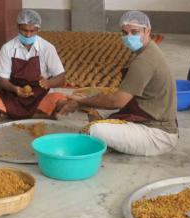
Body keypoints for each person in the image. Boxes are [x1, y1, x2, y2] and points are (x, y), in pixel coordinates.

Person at [57, 11, 178, 156]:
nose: (129, 37)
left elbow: (118, 101)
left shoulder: (144, 61)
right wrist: (84, 102)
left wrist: (82, 101)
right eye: (125, 33)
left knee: (93, 130)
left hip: (157, 134)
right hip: (150, 116)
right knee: (97, 109)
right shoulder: (148, 51)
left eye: (134, 32)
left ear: (147, 31)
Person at [0, 9, 68, 119]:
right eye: (24, 30)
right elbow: (2, 81)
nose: (28, 35)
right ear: (18, 27)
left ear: (38, 29)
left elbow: (61, 78)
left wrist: (48, 83)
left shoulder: (47, 48)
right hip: (14, 96)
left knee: (62, 101)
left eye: (32, 31)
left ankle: (11, 113)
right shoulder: (7, 48)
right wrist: (16, 89)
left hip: (40, 96)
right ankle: (38, 113)